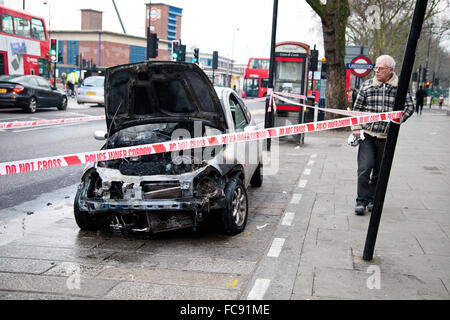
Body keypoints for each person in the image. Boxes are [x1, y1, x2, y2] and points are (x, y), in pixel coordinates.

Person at [351, 55, 414, 215]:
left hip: (387, 137)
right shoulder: (367, 86)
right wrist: (356, 127)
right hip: (368, 135)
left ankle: (373, 200)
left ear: (390, 70)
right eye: (376, 68)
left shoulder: (400, 87)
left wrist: (396, 123)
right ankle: (361, 201)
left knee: (379, 171)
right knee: (364, 169)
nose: (377, 71)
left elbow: (409, 107)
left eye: (381, 69)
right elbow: (357, 108)